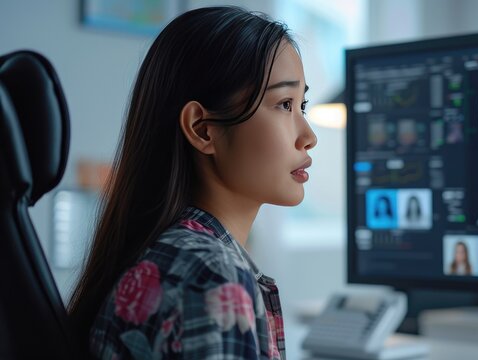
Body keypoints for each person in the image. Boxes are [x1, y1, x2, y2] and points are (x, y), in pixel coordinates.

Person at [67, 7, 317, 359]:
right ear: (203, 129)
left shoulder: (168, 254)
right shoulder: (210, 275)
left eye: (302, 105)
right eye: (284, 104)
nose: (308, 136)